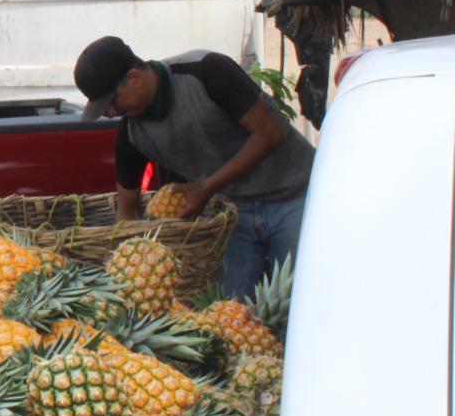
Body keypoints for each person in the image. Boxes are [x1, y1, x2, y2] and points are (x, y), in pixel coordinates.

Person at [73, 35, 316, 297]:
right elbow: (127, 212)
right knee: (230, 306)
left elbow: (269, 134)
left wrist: (207, 188)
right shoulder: (131, 134)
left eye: (110, 102)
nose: (109, 112)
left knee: (301, 300)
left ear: (134, 78)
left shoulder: (206, 71)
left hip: (295, 195)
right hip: (233, 212)